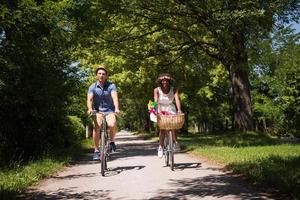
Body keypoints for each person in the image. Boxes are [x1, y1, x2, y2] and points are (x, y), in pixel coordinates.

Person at [87, 66, 120, 160]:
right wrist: (89, 109)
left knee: (112, 124)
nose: (101, 75)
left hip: (110, 111)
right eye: (99, 73)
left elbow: (115, 97)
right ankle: (96, 150)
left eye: (103, 74)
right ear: (96, 75)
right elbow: (89, 99)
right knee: (96, 127)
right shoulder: (92, 87)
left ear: (106, 76)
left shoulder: (111, 86)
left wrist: (117, 108)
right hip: (98, 111)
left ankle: (112, 141)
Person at [154, 73, 182, 158]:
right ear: (160, 82)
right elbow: (155, 101)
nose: (164, 82)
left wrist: (179, 109)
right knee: (162, 129)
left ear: (169, 81)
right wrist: (155, 111)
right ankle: (161, 147)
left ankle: (175, 142)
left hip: (170, 108)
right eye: (163, 80)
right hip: (160, 108)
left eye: (166, 80)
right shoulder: (156, 90)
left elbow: (177, 99)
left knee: (173, 126)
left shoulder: (174, 89)